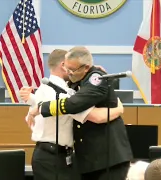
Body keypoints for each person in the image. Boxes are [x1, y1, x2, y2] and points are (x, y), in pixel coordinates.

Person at [29, 46, 133, 180]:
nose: (69, 73)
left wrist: (42, 107)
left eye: (72, 69)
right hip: (89, 160)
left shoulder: (97, 78)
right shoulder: (75, 81)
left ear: (85, 67)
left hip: (108, 159)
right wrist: (118, 109)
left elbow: (75, 104)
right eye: (67, 69)